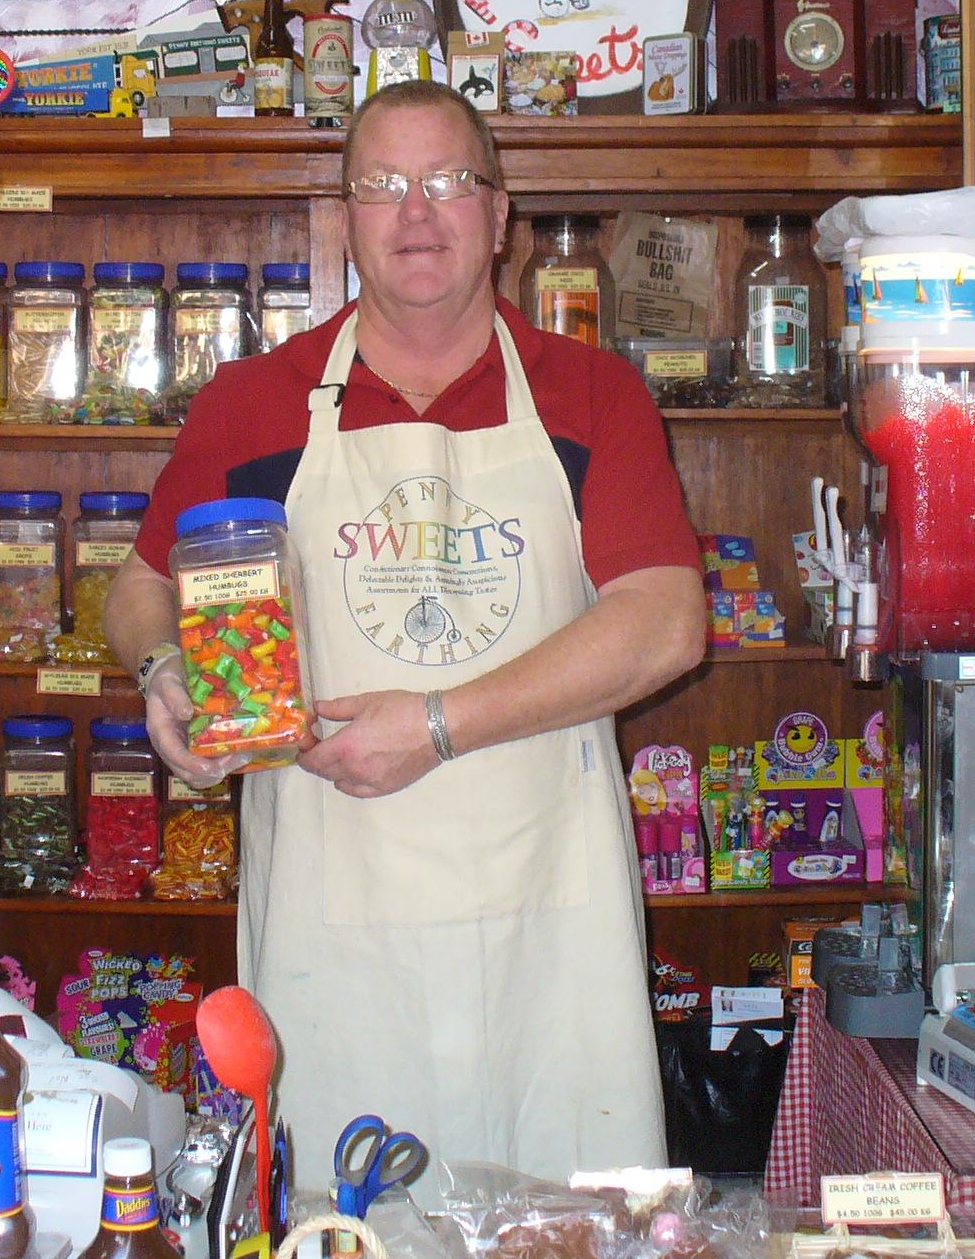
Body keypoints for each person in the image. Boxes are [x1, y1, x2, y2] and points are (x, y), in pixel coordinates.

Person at [104, 81, 707, 1179]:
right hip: (331, 912)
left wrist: (436, 724)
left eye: (447, 182)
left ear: (500, 214)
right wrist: (164, 673)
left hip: (550, 924)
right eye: (382, 185)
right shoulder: (253, 401)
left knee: (562, 1221)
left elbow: (665, 623)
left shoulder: (593, 393)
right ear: (347, 216)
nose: (416, 213)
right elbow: (143, 585)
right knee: (339, 1222)